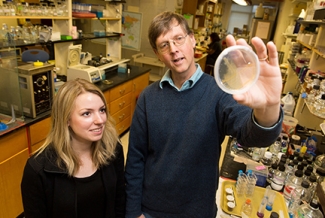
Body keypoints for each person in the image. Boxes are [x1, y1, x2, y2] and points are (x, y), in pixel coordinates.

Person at [125, 11, 283, 218]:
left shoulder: (219, 91)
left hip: (197, 211)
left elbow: (254, 135)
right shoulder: (148, 97)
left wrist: (270, 106)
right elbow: (136, 159)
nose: (174, 50)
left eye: (178, 39)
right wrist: (133, 212)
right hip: (152, 209)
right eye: (164, 45)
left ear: (192, 40)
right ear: (157, 53)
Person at [21, 78, 125, 218]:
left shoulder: (112, 149)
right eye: (87, 113)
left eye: (102, 110)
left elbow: (119, 201)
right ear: (66, 119)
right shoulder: (38, 170)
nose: (100, 120)